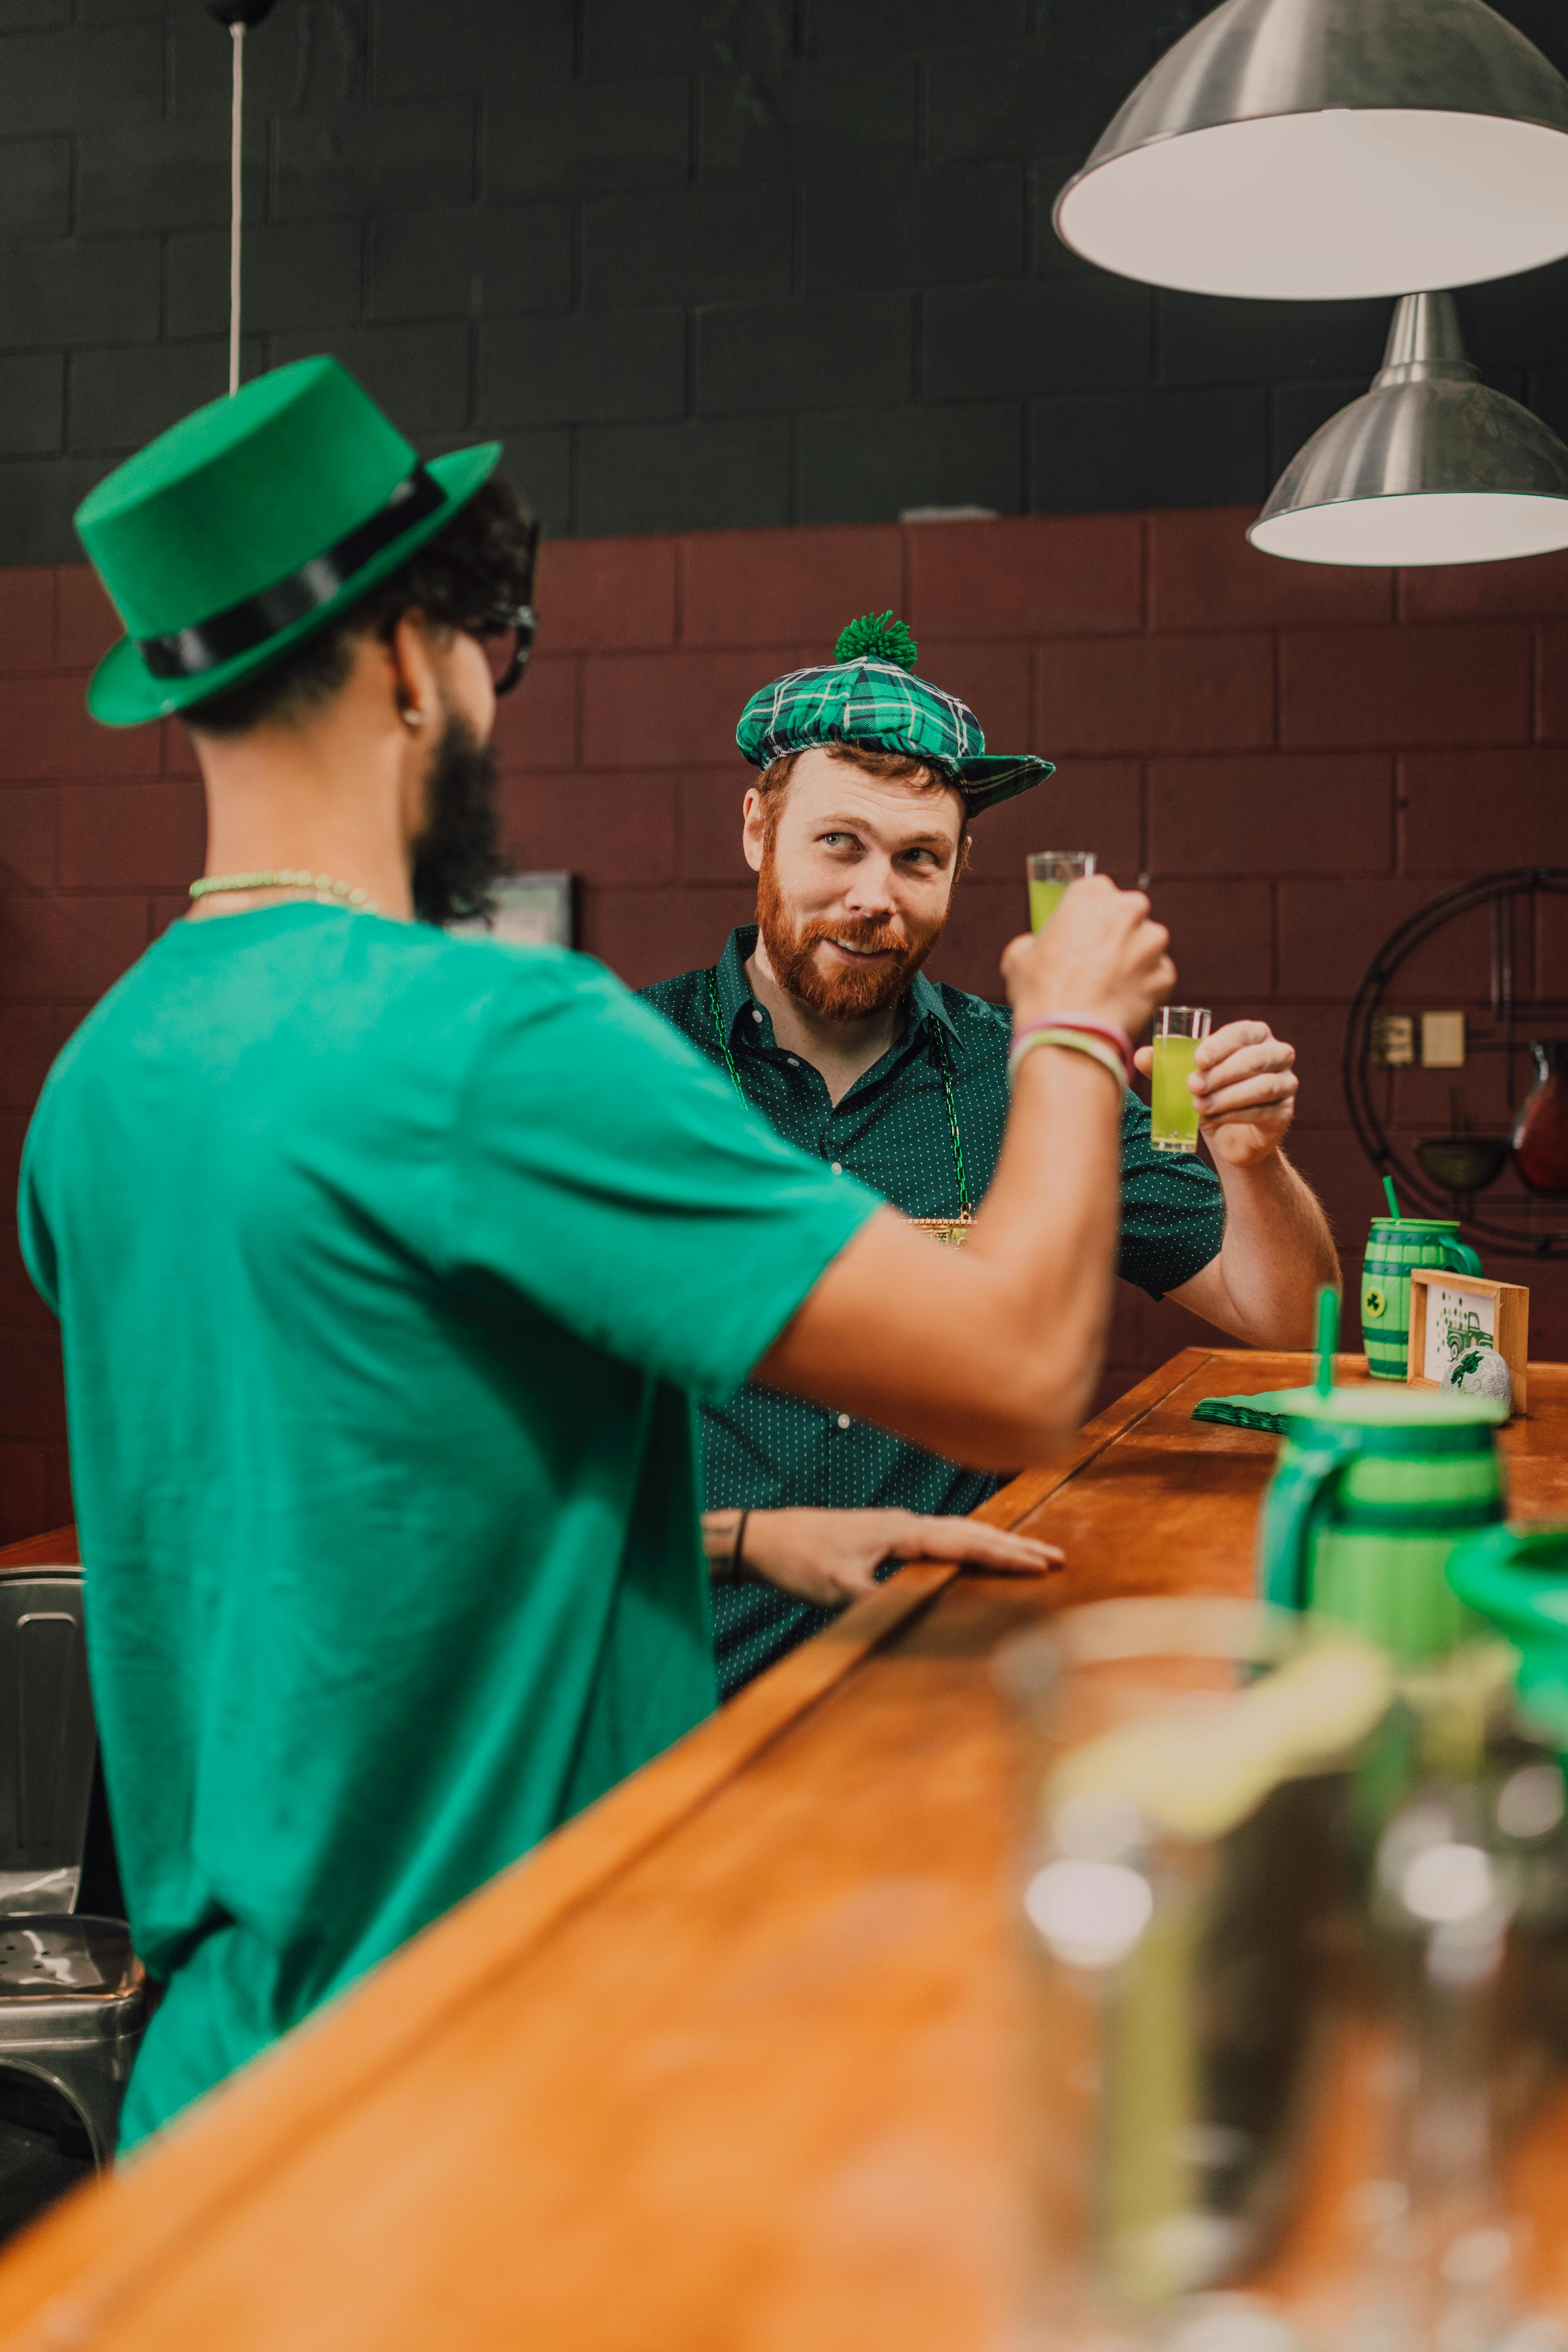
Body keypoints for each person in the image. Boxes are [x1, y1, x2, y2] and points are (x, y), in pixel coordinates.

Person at [18, 360, 1174, 2148]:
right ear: (416, 660)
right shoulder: (496, 1036)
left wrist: (739, 1530)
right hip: (490, 2053)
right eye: (498, 655)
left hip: (228, 2086)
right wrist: (1081, 1029)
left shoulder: (97, 1086)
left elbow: (374, 1483)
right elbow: (1020, 1360)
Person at [642, 615, 1341, 1697]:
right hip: (690, 1679)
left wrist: (1252, 1163)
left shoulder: (1039, 1077)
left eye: (916, 858)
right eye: (838, 843)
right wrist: (744, 1537)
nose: (876, 896)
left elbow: (1289, 1326)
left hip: (956, 1671)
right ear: (756, 831)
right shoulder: (626, 1067)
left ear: (962, 864)